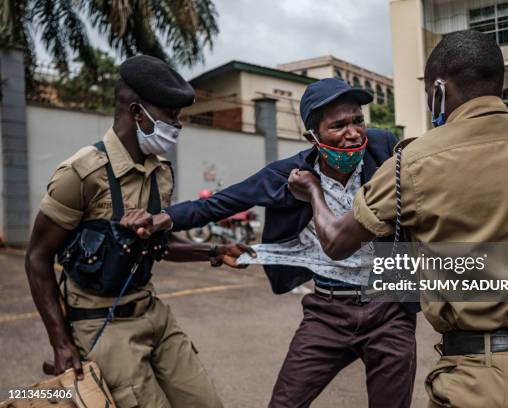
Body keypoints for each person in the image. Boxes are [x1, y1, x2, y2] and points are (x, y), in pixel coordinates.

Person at [287, 30, 508, 407]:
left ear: (437, 90)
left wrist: (312, 192)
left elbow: (337, 242)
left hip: (484, 382)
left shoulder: (415, 162)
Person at [123, 78, 419, 407]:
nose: (353, 133)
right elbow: (221, 203)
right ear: (313, 136)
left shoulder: (382, 149)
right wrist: (166, 218)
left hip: (388, 308)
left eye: (357, 121)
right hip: (326, 312)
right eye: (338, 125)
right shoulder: (290, 175)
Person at [25, 55, 254, 408]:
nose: (178, 125)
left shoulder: (160, 173)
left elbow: (157, 244)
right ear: (136, 112)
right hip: (102, 326)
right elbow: (37, 258)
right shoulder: (82, 174)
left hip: (154, 314)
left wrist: (212, 252)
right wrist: (60, 343)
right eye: (170, 115)